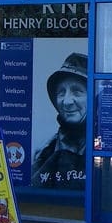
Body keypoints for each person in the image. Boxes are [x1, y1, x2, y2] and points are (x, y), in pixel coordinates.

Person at [32, 52, 87, 190]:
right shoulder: (44, 152)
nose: (67, 102)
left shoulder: (107, 147)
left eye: (77, 92)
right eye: (61, 93)